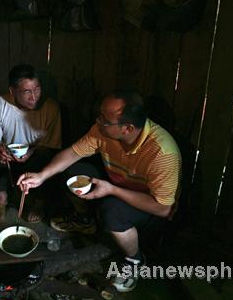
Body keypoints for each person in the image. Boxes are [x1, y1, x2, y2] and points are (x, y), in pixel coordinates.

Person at [17, 90, 181, 292]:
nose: (98, 121)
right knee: (73, 172)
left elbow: (163, 208)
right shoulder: (102, 131)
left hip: (149, 205)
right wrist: (41, 176)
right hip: (117, 185)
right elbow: (73, 152)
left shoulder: (162, 153)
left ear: (128, 128)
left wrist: (111, 190)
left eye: (104, 119)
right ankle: (86, 221)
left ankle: (135, 260)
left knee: (112, 210)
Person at [0, 64, 61, 223]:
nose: (34, 96)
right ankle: (1, 200)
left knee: (47, 161)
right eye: (27, 92)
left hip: (36, 156)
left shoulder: (50, 107)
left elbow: (51, 146)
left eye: (37, 89)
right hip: (9, 159)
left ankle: (39, 203)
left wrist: (31, 152)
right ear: (12, 91)